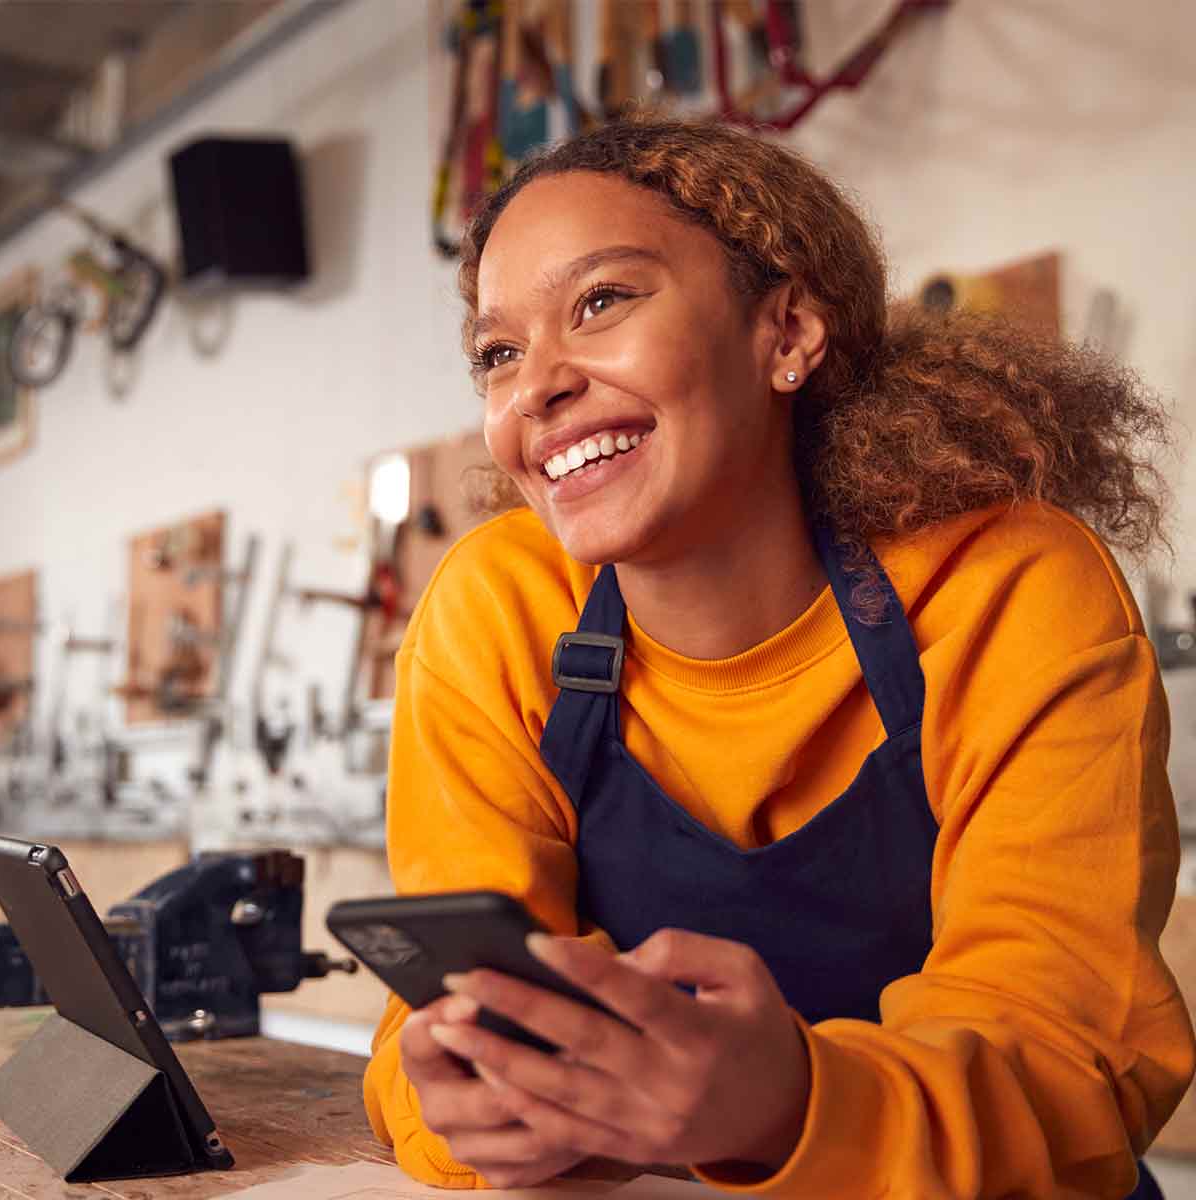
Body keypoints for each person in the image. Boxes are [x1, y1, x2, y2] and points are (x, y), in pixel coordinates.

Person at [362, 113, 1195, 1198]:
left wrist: (794, 1106)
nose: (538, 386)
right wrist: (456, 1104)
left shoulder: (1004, 583)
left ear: (788, 331)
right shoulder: (496, 608)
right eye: (498, 353)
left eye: (602, 302)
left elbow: (1074, 1056)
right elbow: (428, 1024)